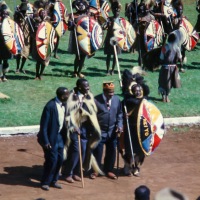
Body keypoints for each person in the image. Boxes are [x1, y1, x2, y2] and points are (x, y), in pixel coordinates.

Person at [62, 78, 102, 183]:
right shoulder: (71, 97)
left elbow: (93, 110)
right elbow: (67, 113)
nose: (88, 88)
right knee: (75, 150)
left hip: (85, 128)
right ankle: (68, 173)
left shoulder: (89, 96)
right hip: (73, 128)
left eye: (88, 86)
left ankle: (77, 172)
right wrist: (73, 126)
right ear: (79, 87)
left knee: (84, 150)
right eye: (86, 86)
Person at [37, 87, 70, 191]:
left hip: (60, 137)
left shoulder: (64, 105)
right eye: (67, 95)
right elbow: (44, 126)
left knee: (60, 159)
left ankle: (54, 181)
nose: (68, 96)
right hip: (50, 138)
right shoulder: (50, 106)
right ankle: (45, 182)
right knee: (52, 160)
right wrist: (46, 141)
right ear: (61, 96)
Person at [91, 81, 123, 179]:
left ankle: (109, 170)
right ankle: (96, 170)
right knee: (98, 152)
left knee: (111, 151)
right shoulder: (96, 100)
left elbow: (120, 114)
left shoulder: (117, 100)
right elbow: (92, 117)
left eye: (112, 93)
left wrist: (120, 125)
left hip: (112, 131)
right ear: (104, 91)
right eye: (109, 94)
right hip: (100, 132)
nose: (111, 96)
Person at [67, 0, 89, 78]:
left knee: (83, 56)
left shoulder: (87, 17)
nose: (81, 7)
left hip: (85, 38)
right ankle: (75, 71)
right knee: (77, 56)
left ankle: (79, 71)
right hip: (76, 38)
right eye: (79, 6)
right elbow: (69, 28)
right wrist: (71, 24)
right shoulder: (73, 16)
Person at [158, 32, 182, 103]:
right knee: (169, 82)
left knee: (163, 82)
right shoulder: (177, 48)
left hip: (165, 67)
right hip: (173, 68)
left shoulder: (165, 47)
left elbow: (161, 58)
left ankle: (164, 96)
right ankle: (166, 96)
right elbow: (180, 58)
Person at [103, 0, 122, 75]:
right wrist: (107, 24)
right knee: (108, 55)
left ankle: (113, 70)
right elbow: (104, 27)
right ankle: (107, 70)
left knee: (115, 55)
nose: (116, 11)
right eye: (115, 10)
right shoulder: (109, 19)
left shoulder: (121, 20)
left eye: (117, 10)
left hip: (117, 39)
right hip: (109, 38)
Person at [14, 1, 32, 74]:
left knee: (26, 53)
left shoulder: (28, 16)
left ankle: (21, 67)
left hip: (27, 36)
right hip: (19, 35)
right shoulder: (17, 15)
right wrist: (18, 14)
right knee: (19, 53)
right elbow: (15, 21)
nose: (24, 12)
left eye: (25, 11)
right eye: (23, 11)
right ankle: (17, 68)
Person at [0, 2, 12, 82]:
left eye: (6, 13)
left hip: (6, 43)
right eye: (4, 13)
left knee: (5, 60)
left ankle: (4, 75)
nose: (6, 14)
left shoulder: (9, 21)